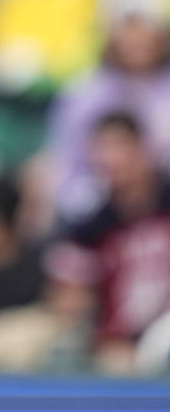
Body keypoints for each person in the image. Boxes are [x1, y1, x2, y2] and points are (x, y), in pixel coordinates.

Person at [45, 112, 170, 375]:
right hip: (119, 348)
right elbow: (67, 300)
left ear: (143, 149)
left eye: (120, 146)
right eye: (103, 149)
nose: (111, 159)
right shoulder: (89, 225)